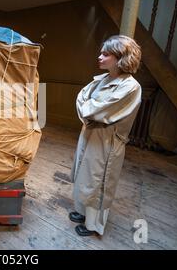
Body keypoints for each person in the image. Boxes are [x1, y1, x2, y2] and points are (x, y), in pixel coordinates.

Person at [70, 35, 142, 236]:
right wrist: (89, 111)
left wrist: (89, 111)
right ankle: (83, 212)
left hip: (107, 141)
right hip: (91, 133)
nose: (100, 57)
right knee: (84, 176)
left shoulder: (130, 87)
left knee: (98, 181)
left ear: (121, 58)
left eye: (106, 54)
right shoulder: (101, 79)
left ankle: (93, 225)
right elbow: (81, 100)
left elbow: (100, 111)